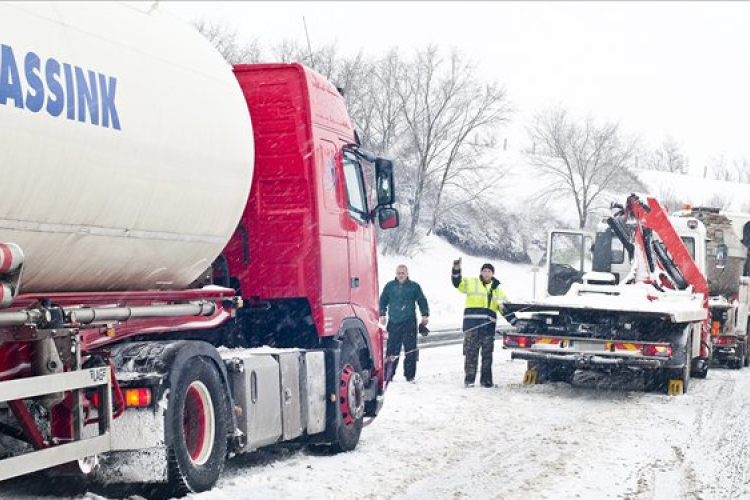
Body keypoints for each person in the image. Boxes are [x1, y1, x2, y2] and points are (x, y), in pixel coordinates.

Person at [452, 258, 507, 388]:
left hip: (488, 328)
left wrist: (517, 322)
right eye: (484, 271)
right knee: (471, 354)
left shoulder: (497, 289)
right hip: (472, 326)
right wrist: (456, 269)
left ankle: (486, 381)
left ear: (493, 274)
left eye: (489, 271)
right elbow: (457, 282)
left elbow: (504, 307)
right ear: (481, 273)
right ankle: (469, 380)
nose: (486, 273)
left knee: (487, 356)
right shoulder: (472, 282)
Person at [379, 265, 430, 383]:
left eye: (402, 273)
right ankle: (389, 375)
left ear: (407, 273)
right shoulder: (389, 286)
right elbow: (382, 301)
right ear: (395, 273)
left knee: (411, 350)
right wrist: (382, 314)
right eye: (398, 273)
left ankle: (410, 376)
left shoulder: (414, 287)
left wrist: (425, 314)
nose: (400, 275)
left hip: (409, 322)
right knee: (391, 350)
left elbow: (422, 300)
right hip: (394, 322)